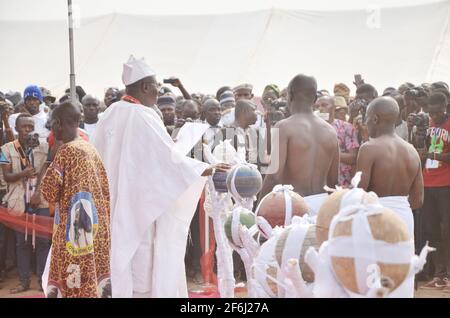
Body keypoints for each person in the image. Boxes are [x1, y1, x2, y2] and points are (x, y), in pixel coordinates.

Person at [93, 55, 228, 297]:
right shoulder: (143, 115)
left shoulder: (111, 112)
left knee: (118, 257)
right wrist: (205, 168)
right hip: (138, 206)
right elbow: (168, 161)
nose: (158, 90)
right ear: (145, 87)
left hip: (112, 202)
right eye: (155, 85)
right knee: (139, 265)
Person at [40, 102, 111, 298]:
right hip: (96, 231)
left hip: (74, 234)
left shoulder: (65, 152)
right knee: (92, 281)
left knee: (73, 285)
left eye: (53, 124)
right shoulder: (91, 150)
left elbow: (48, 193)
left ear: (58, 124)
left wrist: (52, 153)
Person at [260, 74, 339, 215]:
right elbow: (333, 182)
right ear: (315, 99)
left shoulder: (284, 127)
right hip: (321, 205)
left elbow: (274, 176)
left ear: (289, 96)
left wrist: (257, 209)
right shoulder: (331, 132)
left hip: (294, 205)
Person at [357, 96, 423, 237]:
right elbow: (418, 200)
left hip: (375, 217)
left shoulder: (369, 148)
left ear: (375, 119)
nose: (365, 123)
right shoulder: (412, 151)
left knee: (374, 260)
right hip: (404, 220)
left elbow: (358, 193)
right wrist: (397, 206)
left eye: (366, 118)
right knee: (402, 259)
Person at [1, 113, 50, 293]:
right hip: (18, 201)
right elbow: (6, 176)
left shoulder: (42, 146)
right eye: (24, 127)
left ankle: (42, 283)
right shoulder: (5, 149)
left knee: (44, 242)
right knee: (22, 243)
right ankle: (23, 282)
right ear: (17, 128)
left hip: (40, 200)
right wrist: (23, 173)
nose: (28, 130)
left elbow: (48, 169)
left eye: (31, 127)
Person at [417, 93, 450, 291]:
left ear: (445, 107)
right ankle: (440, 276)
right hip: (428, 182)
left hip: (446, 184)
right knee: (433, 231)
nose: (434, 115)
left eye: (438, 112)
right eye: (431, 111)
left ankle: (446, 275)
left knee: (447, 231)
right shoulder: (427, 123)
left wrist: (433, 154)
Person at [316, 96, 359, 188]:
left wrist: (329, 152)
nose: (320, 109)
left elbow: (353, 158)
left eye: (324, 105)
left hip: (341, 184)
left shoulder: (346, 127)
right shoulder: (311, 129)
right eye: (317, 106)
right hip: (317, 185)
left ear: (334, 108)